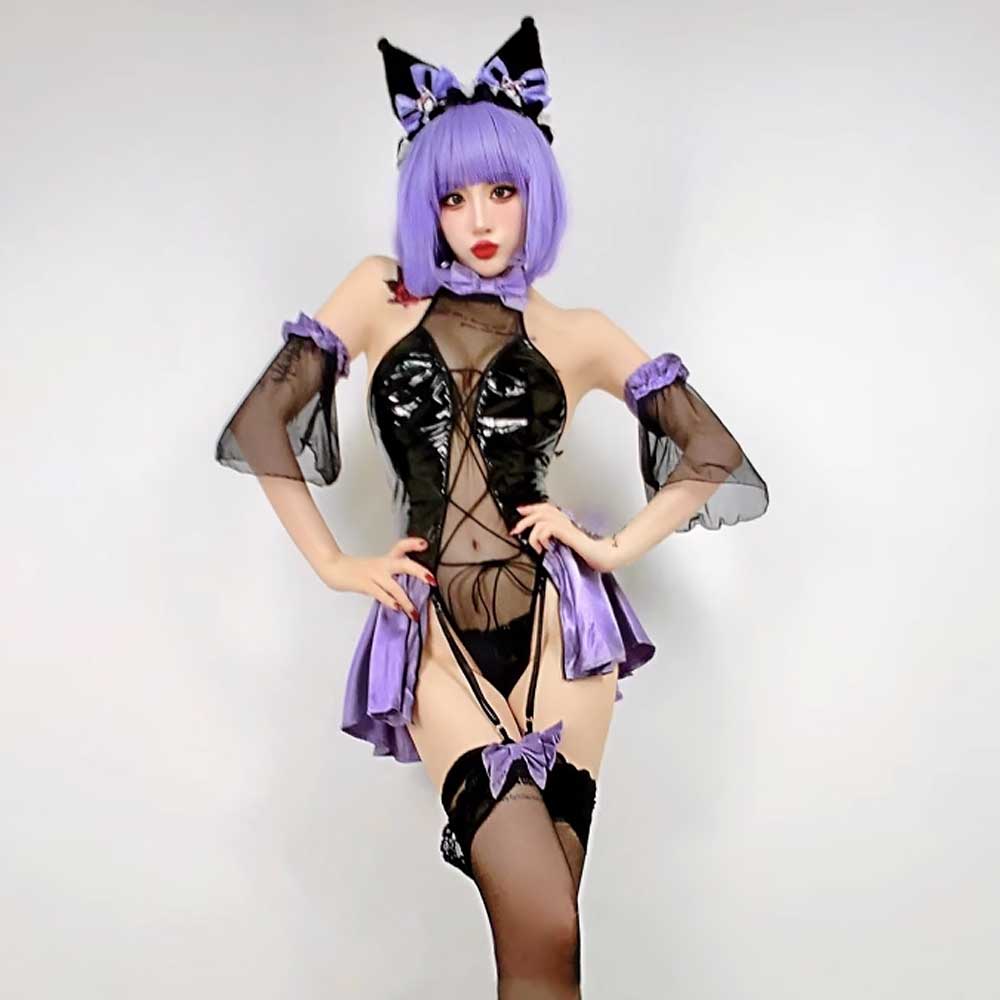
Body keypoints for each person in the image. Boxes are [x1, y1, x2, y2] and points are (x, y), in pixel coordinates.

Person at [214, 16, 769, 998]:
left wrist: (612, 547)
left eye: (502, 191)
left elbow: (711, 452)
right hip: (434, 636)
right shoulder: (378, 294)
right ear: (423, 202)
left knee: (548, 936)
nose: (478, 217)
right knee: (543, 917)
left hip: (565, 632)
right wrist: (335, 565)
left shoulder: (578, 331)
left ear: (535, 194)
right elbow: (264, 421)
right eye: (453, 194)